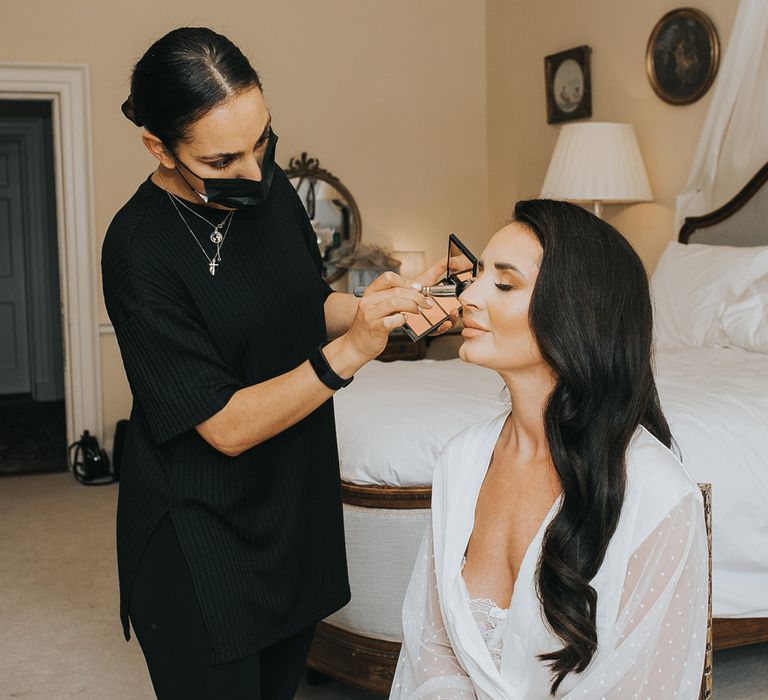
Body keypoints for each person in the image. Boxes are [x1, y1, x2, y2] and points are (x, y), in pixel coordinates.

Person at [102, 27, 447, 700]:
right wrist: (348, 355)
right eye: (223, 159)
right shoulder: (138, 250)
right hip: (198, 527)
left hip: (292, 500)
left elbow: (303, 304)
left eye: (262, 140)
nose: (255, 172)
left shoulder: (266, 188)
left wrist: (374, 310)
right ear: (159, 148)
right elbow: (223, 426)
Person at [391, 199, 708, 699]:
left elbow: (645, 686)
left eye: (504, 283)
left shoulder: (658, 494)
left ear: (576, 311)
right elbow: (433, 645)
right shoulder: (461, 460)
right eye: (476, 276)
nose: (467, 296)